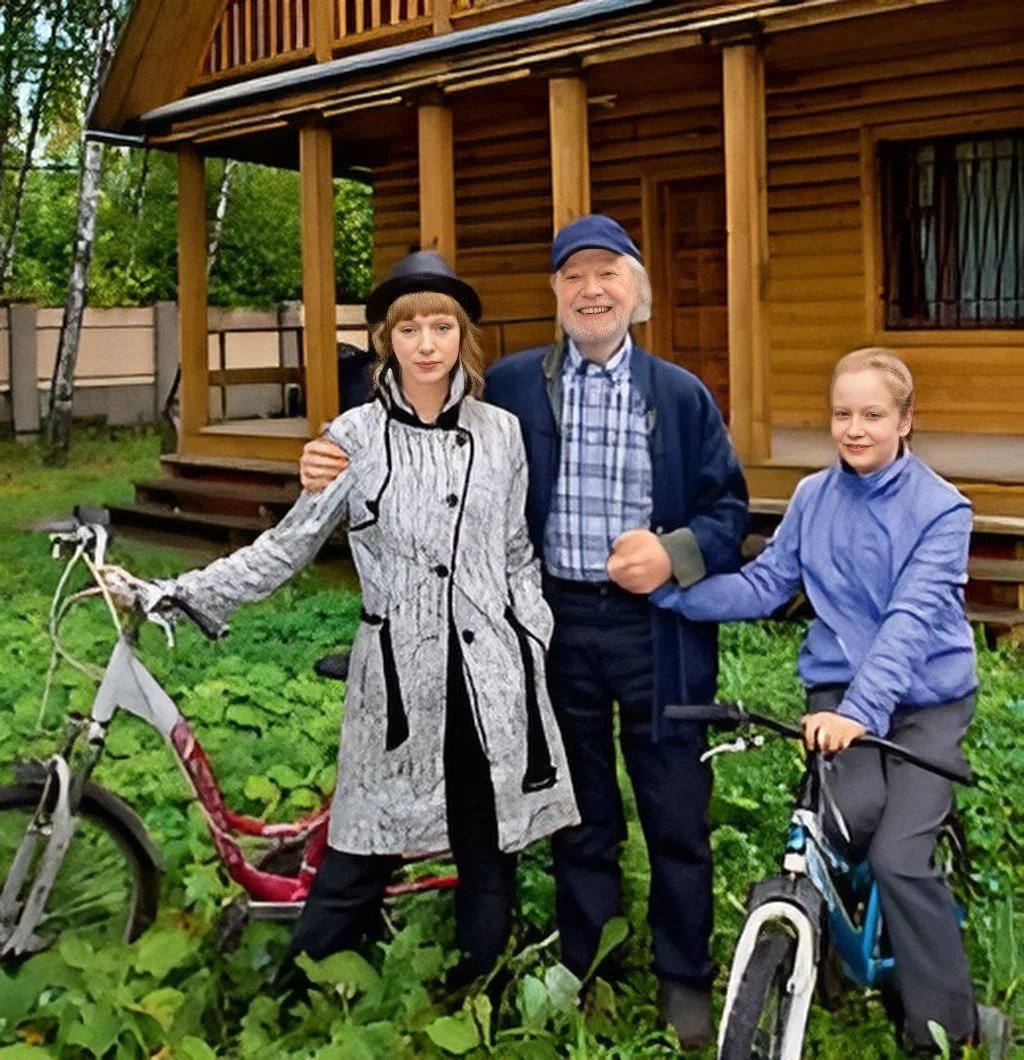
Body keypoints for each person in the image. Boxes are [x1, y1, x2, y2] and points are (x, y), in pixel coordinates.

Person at [301, 216, 749, 1048]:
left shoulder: (680, 395)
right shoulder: (512, 386)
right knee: (578, 808)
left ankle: (683, 976)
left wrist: (675, 552)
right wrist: (327, 453)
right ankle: (589, 961)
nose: (591, 290)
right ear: (555, 294)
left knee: (676, 810)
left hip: (660, 633)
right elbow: (418, 419)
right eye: (573, 276)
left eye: (608, 274)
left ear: (637, 290)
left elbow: (728, 509)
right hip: (553, 625)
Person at [107, 252, 580, 984]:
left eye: (442, 327)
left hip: (490, 676)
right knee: (362, 847)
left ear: (463, 336)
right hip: (399, 680)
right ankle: (298, 990)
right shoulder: (352, 438)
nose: (427, 345)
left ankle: (474, 986)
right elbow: (286, 547)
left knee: (487, 842)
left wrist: (531, 633)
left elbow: (517, 551)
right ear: (388, 341)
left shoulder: (502, 434)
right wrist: (180, 591)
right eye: (410, 329)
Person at [625, 347, 979, 1053]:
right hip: (838, 694)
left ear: (905, 421)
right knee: (846, 825)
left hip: (924, 703)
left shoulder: (942, 511)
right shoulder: (815, 497)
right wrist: (666, 592)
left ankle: (946, 1027)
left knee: (899, 857)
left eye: (872, 415)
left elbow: (908, 623)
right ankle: (839, 954)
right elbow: (765, 584)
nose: (855, 429)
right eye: (842, 414)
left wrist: (857, 715)